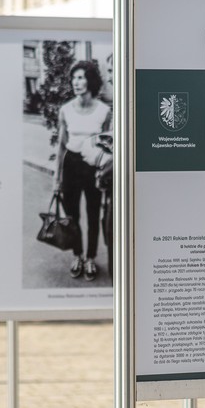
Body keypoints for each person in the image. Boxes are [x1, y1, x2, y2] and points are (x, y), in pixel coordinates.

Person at [53, 60, 112, 281]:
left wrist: (103, 171)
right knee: (72, 215)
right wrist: (56, 177)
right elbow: (61, 146)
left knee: (94, 214)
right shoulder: (66, 110)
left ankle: (91, 258)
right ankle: (77, 255)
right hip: (71, 163)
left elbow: (107, 145)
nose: (75, 82)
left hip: (92, 166)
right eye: (73, 78)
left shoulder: (104, 111)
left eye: (80, 77)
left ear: (90, 81)